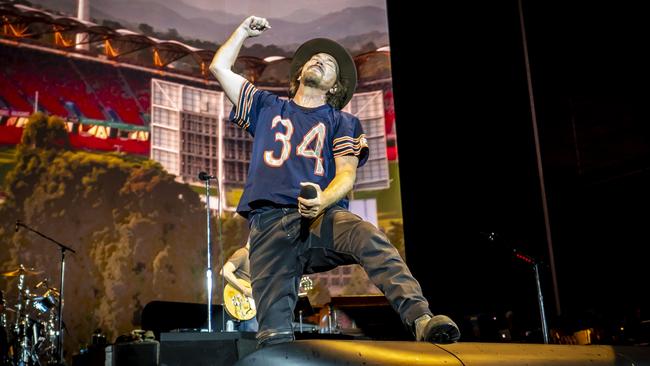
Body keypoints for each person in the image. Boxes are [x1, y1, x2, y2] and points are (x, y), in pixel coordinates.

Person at [209, 15, 460, 347]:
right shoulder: (266, 107)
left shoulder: (343, 121)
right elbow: (220, 68)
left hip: (319, 216)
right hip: (268, 226)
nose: (318, 61)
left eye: (327, 63)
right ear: (299, 74)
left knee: (368, 236)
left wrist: (321, 201)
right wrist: (242, 31)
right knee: (274, 338)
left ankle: (421, 320)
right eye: (314, 58)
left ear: (336, 87)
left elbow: (346, 175)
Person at [220, 241, 259, 332]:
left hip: (256, 308)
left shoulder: (257, 258)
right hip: (247, 308)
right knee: (251, 342)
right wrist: (245, 290)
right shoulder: (243, 253)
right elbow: (225, 271)